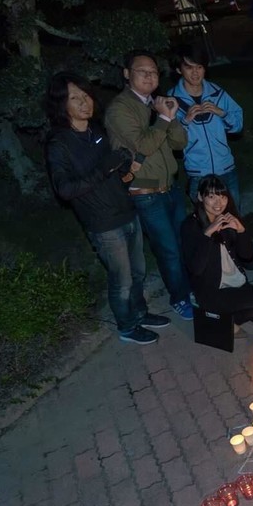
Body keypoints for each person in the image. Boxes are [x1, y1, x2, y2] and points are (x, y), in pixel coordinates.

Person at [45, 72, 170, 346]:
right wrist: (104, 168)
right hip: (103, 224)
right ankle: (127, 327)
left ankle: (140, 313)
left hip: (127, 212)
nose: (84, 102)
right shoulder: (59, 144)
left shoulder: (97, 132)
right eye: (74, 98)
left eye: (86, 95)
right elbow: (65, 190)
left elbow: (114, 174)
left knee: (137, 272)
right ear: (61, 104)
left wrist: (124, 166)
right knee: (122, 280)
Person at [105, 49, 194, 320]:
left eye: (154, 72)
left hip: (171, 186)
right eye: (142, 71)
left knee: (184, 244)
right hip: (146, 192)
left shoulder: (157, 104)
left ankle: (189, 289)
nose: (149, 76)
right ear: (126, 74)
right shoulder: (120, 109)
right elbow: (143, 144)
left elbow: (180, 143)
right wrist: (163, 119)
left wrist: (173, 116)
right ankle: (180, 297)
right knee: (168, 250)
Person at [181, 177, 253, 330]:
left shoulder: (229, 218)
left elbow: (247, 256)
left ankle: (229, 319)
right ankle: (227, 320)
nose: (218, 203)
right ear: (200, 197)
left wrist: (241, 231)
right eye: (211, 197)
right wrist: (207, 234)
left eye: (222, 196)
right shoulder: (190, 226)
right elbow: (196, 269)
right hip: (214, 291)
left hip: (238, 284)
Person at [167, 43, 244, 204]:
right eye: (189, 67)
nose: (195, 73)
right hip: (199, 174)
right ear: (179, 69)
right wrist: (186, 120)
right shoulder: (171, 99)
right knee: (207, 225)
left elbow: (238, 125)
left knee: (235, 220)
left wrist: (221, 112)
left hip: (226, 169)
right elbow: (173, 142)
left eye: (200, 67)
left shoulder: (217, 92)